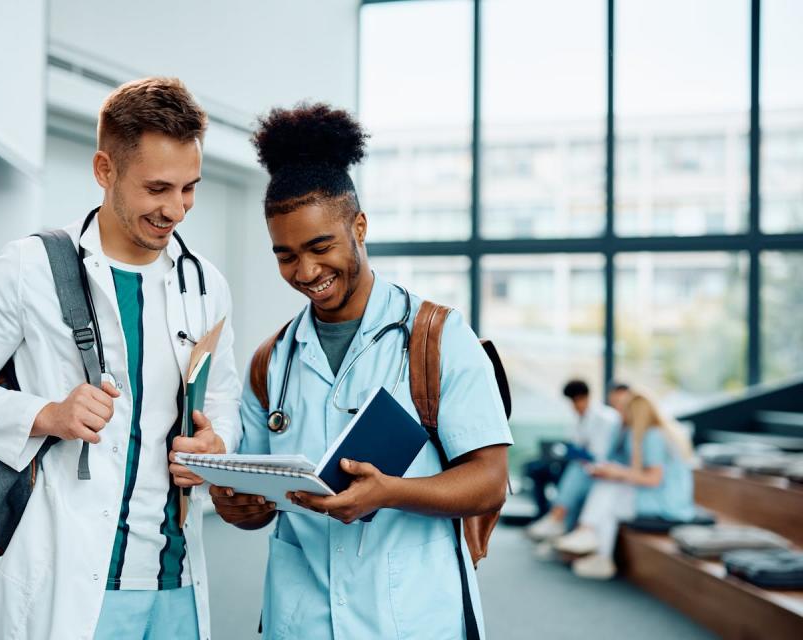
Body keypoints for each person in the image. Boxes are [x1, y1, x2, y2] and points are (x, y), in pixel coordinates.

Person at [0, 77, 241, 640]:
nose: (176, 210)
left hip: (176, 581)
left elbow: (224, 404)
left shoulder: (205, 283)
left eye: (190, 188)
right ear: (104, 170)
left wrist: (215, 447)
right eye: (158, 188)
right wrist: (47, 415)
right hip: (76, 583)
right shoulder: (30, 268)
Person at [208, 103, 512, 640]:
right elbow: (259, 502)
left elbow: (490, 482)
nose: (305, 272)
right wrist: (236, 503)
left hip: (412, 617)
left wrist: (389, 491)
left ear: (360, 226)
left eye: (320, 247)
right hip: (300, 620)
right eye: (285, 255)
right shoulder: (269, 362)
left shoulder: (437, 338)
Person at [553, 391, 695, 579]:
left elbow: (654, 479)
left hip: (666, 505)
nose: (621, 416)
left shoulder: (652, 436)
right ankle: (598, 553)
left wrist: (618, 472)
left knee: (609, 492)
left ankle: (589, 535)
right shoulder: (656, 433)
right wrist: (616, 472)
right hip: (660, 498)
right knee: (609, 495)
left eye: (624, 412)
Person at [525, 379, 622, 527]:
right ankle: (555, 519)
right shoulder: (579, 418)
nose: (574, 406)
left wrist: (578, 453)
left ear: (586, 396)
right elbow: (576, 443)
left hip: (600, 467)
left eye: (576, 400)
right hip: (584, 466)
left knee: (576, 471)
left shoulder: (605, 417)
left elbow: (598, 454)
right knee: (537, 468)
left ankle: (556, 518)